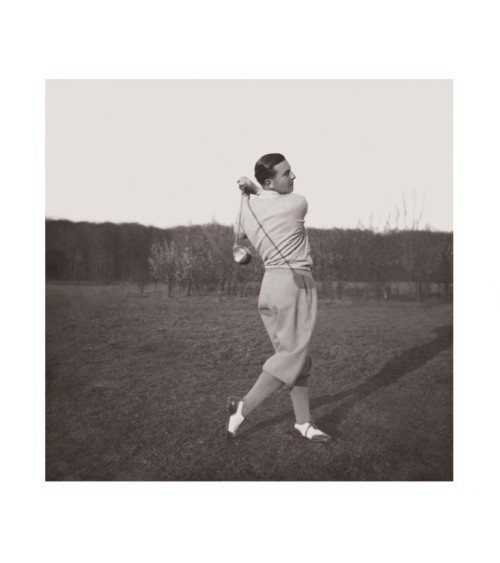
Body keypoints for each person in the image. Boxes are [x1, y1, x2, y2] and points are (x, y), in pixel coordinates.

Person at [227, 153, 331, 443]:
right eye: (286, 174)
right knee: (291, 356)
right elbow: (283, 201)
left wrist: (251, 194)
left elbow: (239, 231)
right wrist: (257, 190)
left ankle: (303, 423)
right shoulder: (296, 203)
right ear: (270, 183)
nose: (293, 177)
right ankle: (242, 407)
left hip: (270, 287)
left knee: (297, 358)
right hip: (294, 284)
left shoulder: (248, 210)